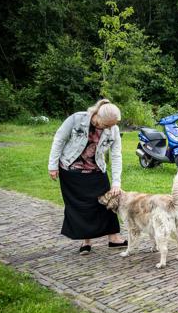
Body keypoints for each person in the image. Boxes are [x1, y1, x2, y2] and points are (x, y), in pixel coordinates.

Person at [48, 98, 126, 255]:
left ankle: (114, 239)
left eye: (112, 125)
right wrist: (52, 165)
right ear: (97, 115)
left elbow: (116, 155)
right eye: (106, 125)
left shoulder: (113, 129)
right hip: (71, 170)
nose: (110, 128)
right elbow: (59, 139)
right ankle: (86, 241)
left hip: (97, 170)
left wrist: (116, 182)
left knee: (108, 203)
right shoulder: (77, 119)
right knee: (80, 207)